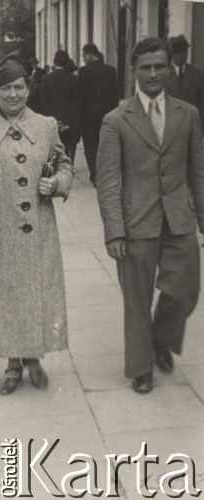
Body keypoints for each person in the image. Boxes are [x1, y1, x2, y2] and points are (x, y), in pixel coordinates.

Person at [0, 55, 74, 395]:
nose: (13, 95)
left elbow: (64, 166)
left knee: (35, 294)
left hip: (38, 229)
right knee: (6, 297)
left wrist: (57, 184)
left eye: (20, 87)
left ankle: (34, 359)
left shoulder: (46, 125)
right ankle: (12, 364)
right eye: (6, 88)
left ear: (28, 88)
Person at [96, 37, 204, 394]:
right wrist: (114, 231)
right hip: (136, 221)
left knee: (185, 290)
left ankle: (161, 337)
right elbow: (108, 181)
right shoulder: (116, 120)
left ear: (169, 66)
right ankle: (141, 368)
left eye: (160, 66)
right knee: (137, 298)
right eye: (146, 67)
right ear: (134, 70)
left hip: (179, 219)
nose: (154, 73)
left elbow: (197, 173)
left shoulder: (187, 114)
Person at [75, 43, 118, 186]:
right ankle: (105, 174)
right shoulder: (111, 71)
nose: (83, 59)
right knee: (105, 145)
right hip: (107, 115)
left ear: (89, 54)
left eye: (83, 55)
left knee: (90, 146)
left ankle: (95, 175)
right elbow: (114, 95)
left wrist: (78, 113)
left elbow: (80, 96)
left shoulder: (83, 71)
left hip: (88, 117)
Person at [40, 50, 78, 160]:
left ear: (54, 62)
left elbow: (44, 102)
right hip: (68, 122)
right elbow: (75, 102)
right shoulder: (73, 79)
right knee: (66, 149)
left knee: (52, 151)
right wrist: (67, 120)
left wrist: (54, 119)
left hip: (51, 121)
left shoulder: (46, 78)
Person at [165, 34, 204, 133]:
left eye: (184, 52)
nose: (182, 55)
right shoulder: (164, 74)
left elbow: (202, 103)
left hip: (192, 127)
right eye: (178, 52)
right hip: (169, 128)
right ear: (172, 54)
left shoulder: (197, 74)